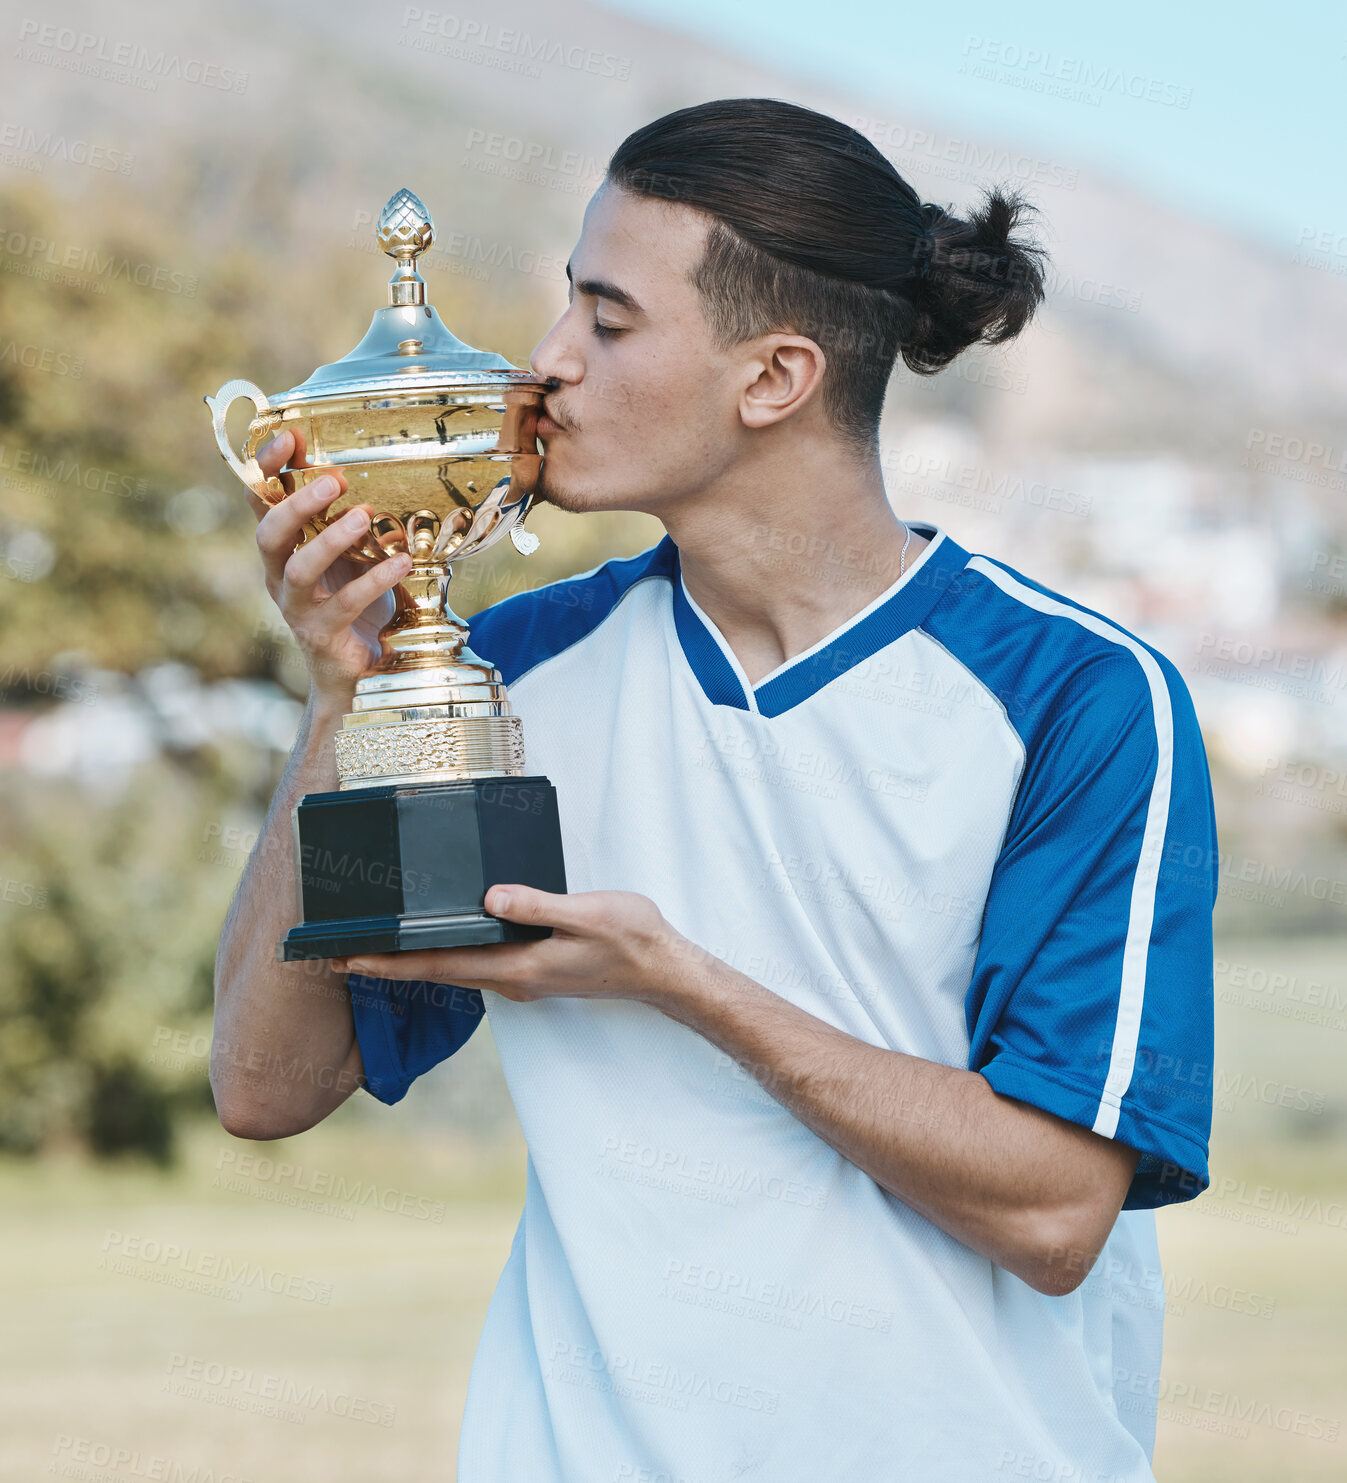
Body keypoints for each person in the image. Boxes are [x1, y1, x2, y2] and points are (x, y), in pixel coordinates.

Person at [212, 98, 1218, 1482]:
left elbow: (1055, 1214)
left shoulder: (1078, 699)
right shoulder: (510, 672)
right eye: (568, 305)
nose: (546, 363)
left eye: (608, 321)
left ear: (774, 377)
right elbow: (268, 1086)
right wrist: (343, 698)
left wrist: (681, 984)